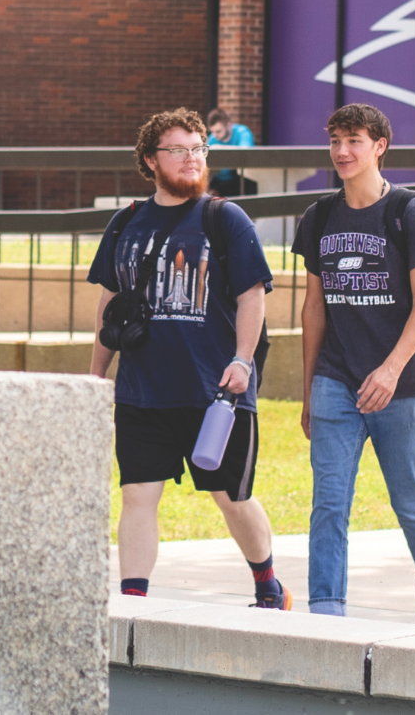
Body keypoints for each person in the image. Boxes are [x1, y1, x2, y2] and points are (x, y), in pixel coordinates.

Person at [88, 109, 289, 609]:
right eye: (178, 150)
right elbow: (110, 307)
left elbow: (252, 297)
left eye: (198, 149)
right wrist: (95, 375)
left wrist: (243, 361)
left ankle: (269, 586)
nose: (191, 159)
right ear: (150, 160)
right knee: (136, 497)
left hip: (216, 393)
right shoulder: (126, 223)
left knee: (231, 498)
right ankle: (134, 601)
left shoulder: (225, 219)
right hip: (143, 391)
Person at [293, 103, 415, 624]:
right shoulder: (319, 217)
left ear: (380, 146)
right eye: (335, 140)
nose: (343, 151)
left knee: (410, 497)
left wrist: (389, 371)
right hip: (337, 379)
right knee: (328, 503)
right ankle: (326, 610)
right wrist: (308, 391)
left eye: (355, 141)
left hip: (403, 381)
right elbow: (313, 307)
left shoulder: (410, 213)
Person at [207, 108, 257, 198]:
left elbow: (245, 154)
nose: (215, 135)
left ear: (228, 125)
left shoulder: (242, 132)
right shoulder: (213, 138)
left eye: (218, 131)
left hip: (238, 178)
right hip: (218, 178)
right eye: (212, 132)